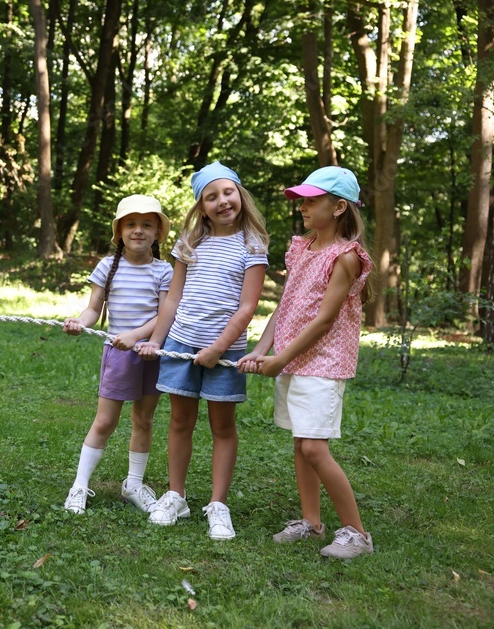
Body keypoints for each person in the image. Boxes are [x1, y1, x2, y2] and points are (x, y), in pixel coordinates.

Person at [238, 166, 376, 559]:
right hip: (294, 361)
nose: (302, 206)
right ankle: (312, 523)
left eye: (311, 200)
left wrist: (280, 357)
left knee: (315, 448)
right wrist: (263, 349)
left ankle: (357, 534)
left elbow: (324, 320)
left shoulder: (346, 257)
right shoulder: (302, 247)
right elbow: (286, 306)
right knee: (301, 444)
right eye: (301, 199)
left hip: (324, 363)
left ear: (339, 207)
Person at [137, 162, 268, 540]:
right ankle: (176, 494)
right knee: (180, 421)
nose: (222, 201)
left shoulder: (253, 246)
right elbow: (172, 300)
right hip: (181, 342)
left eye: (228, 192)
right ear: (201, 206)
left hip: (224, 352)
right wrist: (157, 341)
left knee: (222, 427)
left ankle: (218, 504)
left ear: (240, 194)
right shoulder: (189, 244)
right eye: (211, 197)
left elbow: (247, 307)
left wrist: (217, 349)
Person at [62, 195, 173, 515]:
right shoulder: (107, 267)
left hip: (151, 351)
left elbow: (165, 313)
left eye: (147, 225)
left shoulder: (164, 270)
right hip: (118, 353)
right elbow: (93, 310)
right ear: (119, 232)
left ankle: (134, 484)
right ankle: (80, 485)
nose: (138, 230)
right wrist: (79, 323)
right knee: (106, 420)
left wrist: (141, 337)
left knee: (144, 419)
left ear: (157, 235)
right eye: (131, 224)